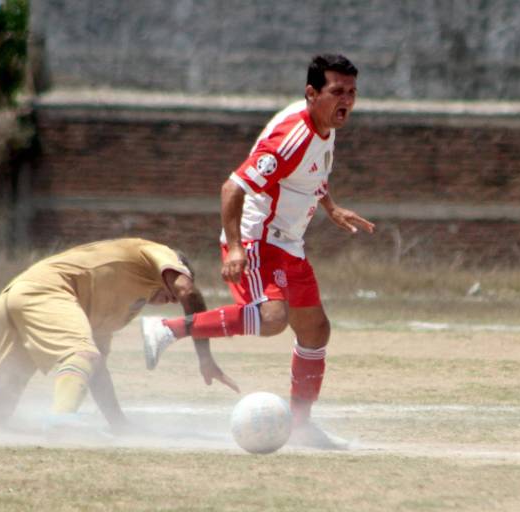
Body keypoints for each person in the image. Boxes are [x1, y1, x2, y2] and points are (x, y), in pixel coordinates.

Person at [141, 54, 375, 449]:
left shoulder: (324, 126)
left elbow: (309, 174)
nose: (347, 100)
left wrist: (331, 207)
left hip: (287, 242)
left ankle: (300, 426)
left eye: (352, 92)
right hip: (257, 239)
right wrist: (235, 248)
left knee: (315, 330)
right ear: (312, 93)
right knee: (272, 319)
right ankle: (167, 329)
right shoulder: (292, 136)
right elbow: (232, 188)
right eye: (338, 91)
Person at [0, 238, 238, 432]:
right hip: (45, 290)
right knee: (81, 354)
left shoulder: (121, 309)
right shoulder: (156, 252)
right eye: (174, 286)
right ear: (175, 267)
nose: (172, 297)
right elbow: (189, 292)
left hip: (16, 298)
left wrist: (118, 423)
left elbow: (95, 369)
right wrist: (205, 356)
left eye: (171, 297)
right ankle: (62, 422)